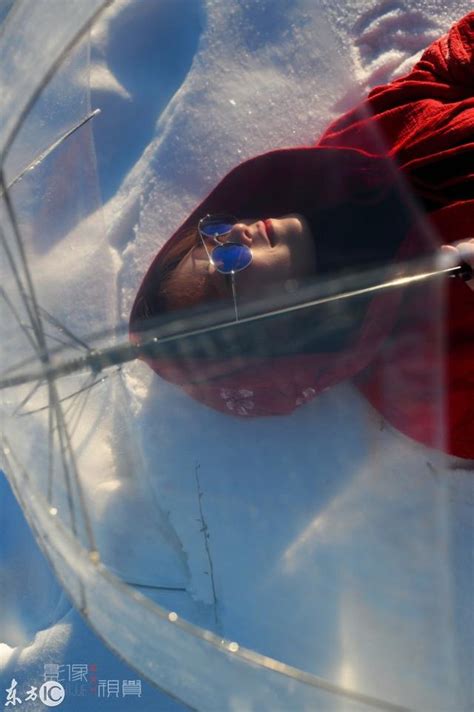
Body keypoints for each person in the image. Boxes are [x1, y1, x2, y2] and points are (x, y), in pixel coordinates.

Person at [130, 12, 474, 459]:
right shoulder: (426, 386)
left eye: (211, 236)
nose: (235, 232)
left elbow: (441, 74)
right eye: (227, 267)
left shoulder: (349, 155)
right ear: (266, 336)